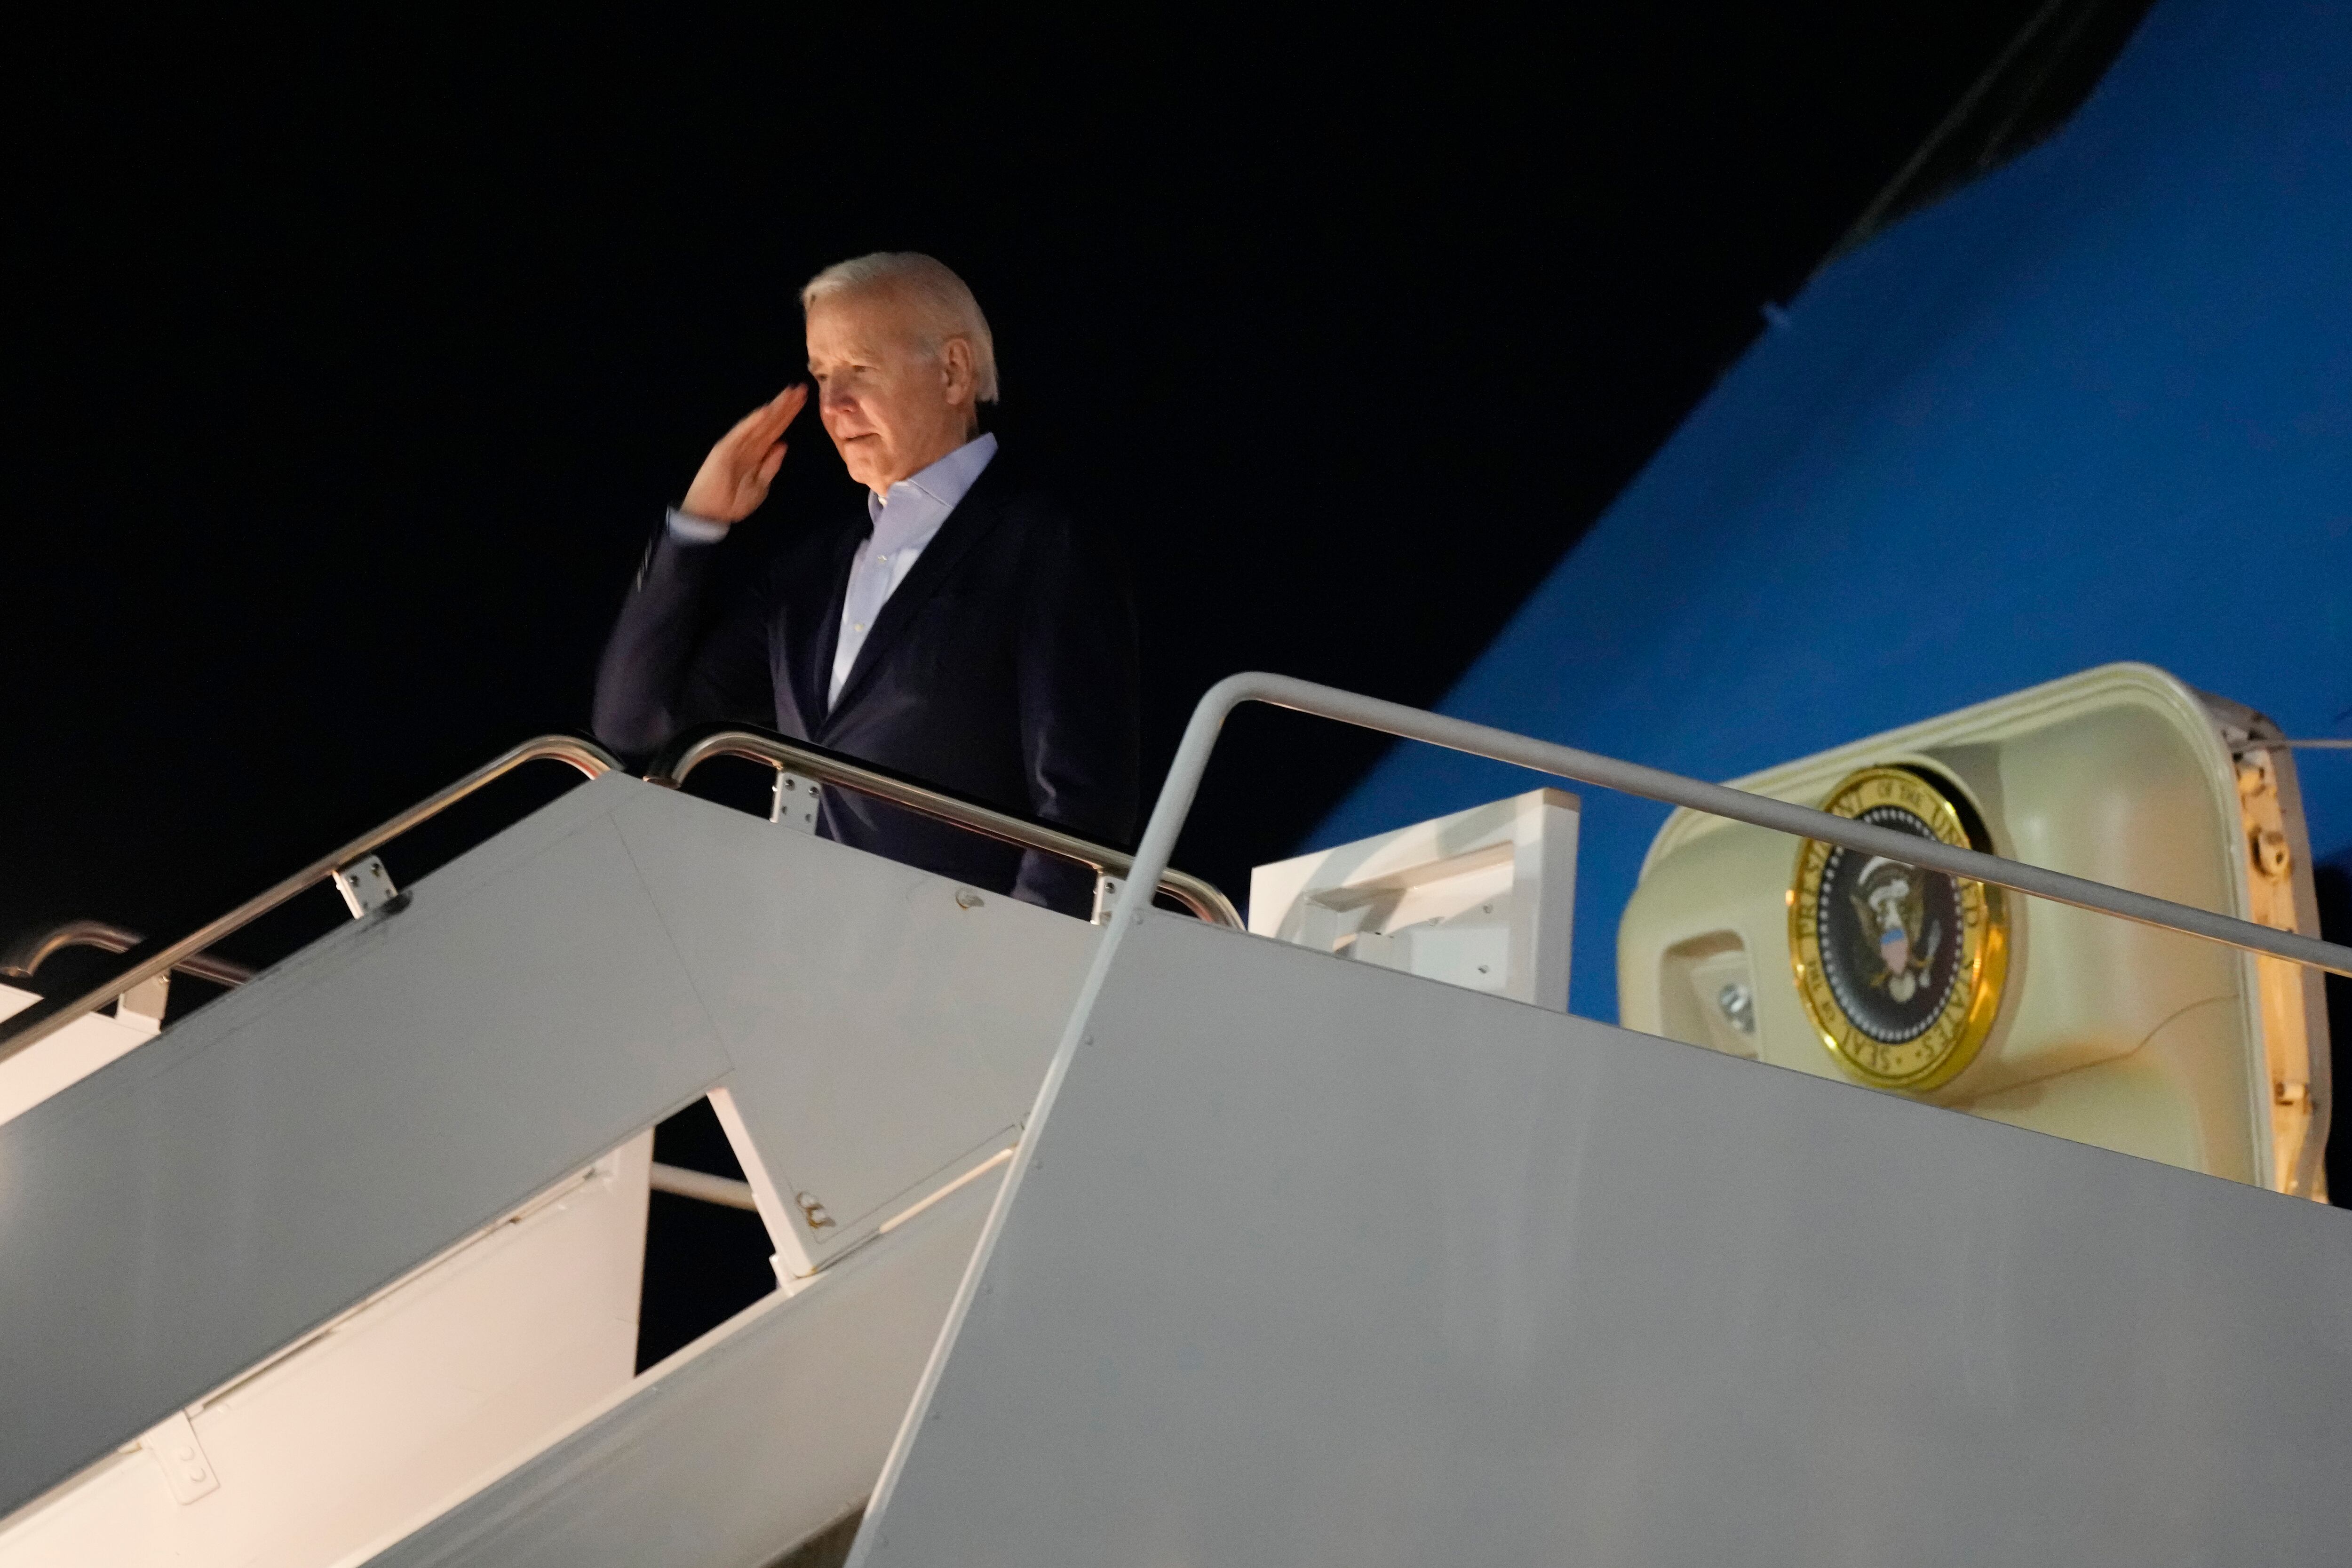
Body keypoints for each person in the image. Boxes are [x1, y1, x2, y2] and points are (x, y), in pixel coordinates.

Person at [593, 252, 1138, 915]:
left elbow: (1080, 809)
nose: (832, 404)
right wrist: (696, 528)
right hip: (806, 957)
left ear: (953, 371)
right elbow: (637, 721)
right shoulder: (809, 576)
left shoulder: (1044, 545)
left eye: (858, 369)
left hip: (966, 968)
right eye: (821, 375)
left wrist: (1014, 968)